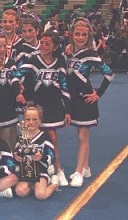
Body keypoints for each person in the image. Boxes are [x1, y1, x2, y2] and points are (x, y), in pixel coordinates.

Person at [13, 31, 71, 186]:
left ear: (55, 46)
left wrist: (68, 110)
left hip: (54, 105)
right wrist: (18, 92)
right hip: (36, 105)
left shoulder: (59, 62)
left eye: (48, 44)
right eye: (42, 43)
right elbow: (16, 75)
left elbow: (65, 87)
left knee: (52, 137)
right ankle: (32, 169)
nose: (44, 46)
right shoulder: (33, 60)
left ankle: (58, 168)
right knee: (31, 138)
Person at [67, 19, 115, 187]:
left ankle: (79, 172)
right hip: (73, 100)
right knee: (81, 135)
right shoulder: (69, 53)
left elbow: (109, 74)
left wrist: (98, 93)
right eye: (77, 34)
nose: (80, 37)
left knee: (82, 135)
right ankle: (86, 167)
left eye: (83, 35)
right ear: (71, 35)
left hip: (86, 99)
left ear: (88, 37)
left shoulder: (91, 54)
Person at [14, 104, 59, 200]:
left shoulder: (45, 138)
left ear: (40, 120)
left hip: (40, 171)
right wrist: (17, 157)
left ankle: (54, 184)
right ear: (24, 120)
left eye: (34, 119)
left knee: (40, 195)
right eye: (28, 119)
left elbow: (52, 157)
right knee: (20, 192)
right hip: (25, 172)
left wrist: (41, 157)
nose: (31, 122)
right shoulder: (21, 138)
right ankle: (33, 186)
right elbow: (16, 152)